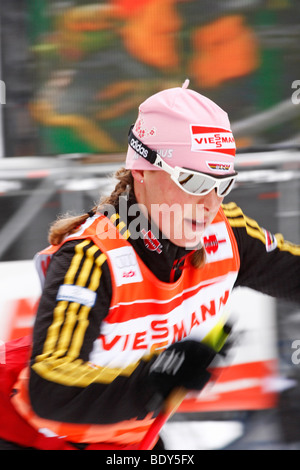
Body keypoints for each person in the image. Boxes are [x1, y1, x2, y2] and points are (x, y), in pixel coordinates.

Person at [0, 80, 299, 450]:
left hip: (124, 437)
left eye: (223, 185)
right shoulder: (93, 256)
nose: (209, 204)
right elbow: (51, 389)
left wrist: (160, 379)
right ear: (142, 169)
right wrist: (156, 378)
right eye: (193, 181)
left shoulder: (227, 235)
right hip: (22, 432)